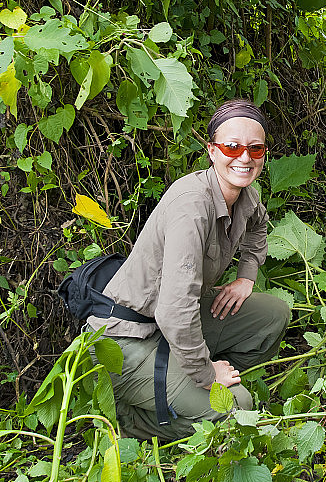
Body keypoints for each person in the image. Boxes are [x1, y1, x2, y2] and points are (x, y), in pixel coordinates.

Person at [88, 99, 290, 440]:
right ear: (212, 150)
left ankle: (186, 386)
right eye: (232, 146)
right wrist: (207, 375)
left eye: (255, 149)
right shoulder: (191, 206)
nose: (244, 157)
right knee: (237, 407)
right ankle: (131, 416)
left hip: (173, 323)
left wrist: (246, 276)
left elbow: (258, 226)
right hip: (128, 340)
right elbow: (173, 312)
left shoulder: (246, 196)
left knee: (273, 315)